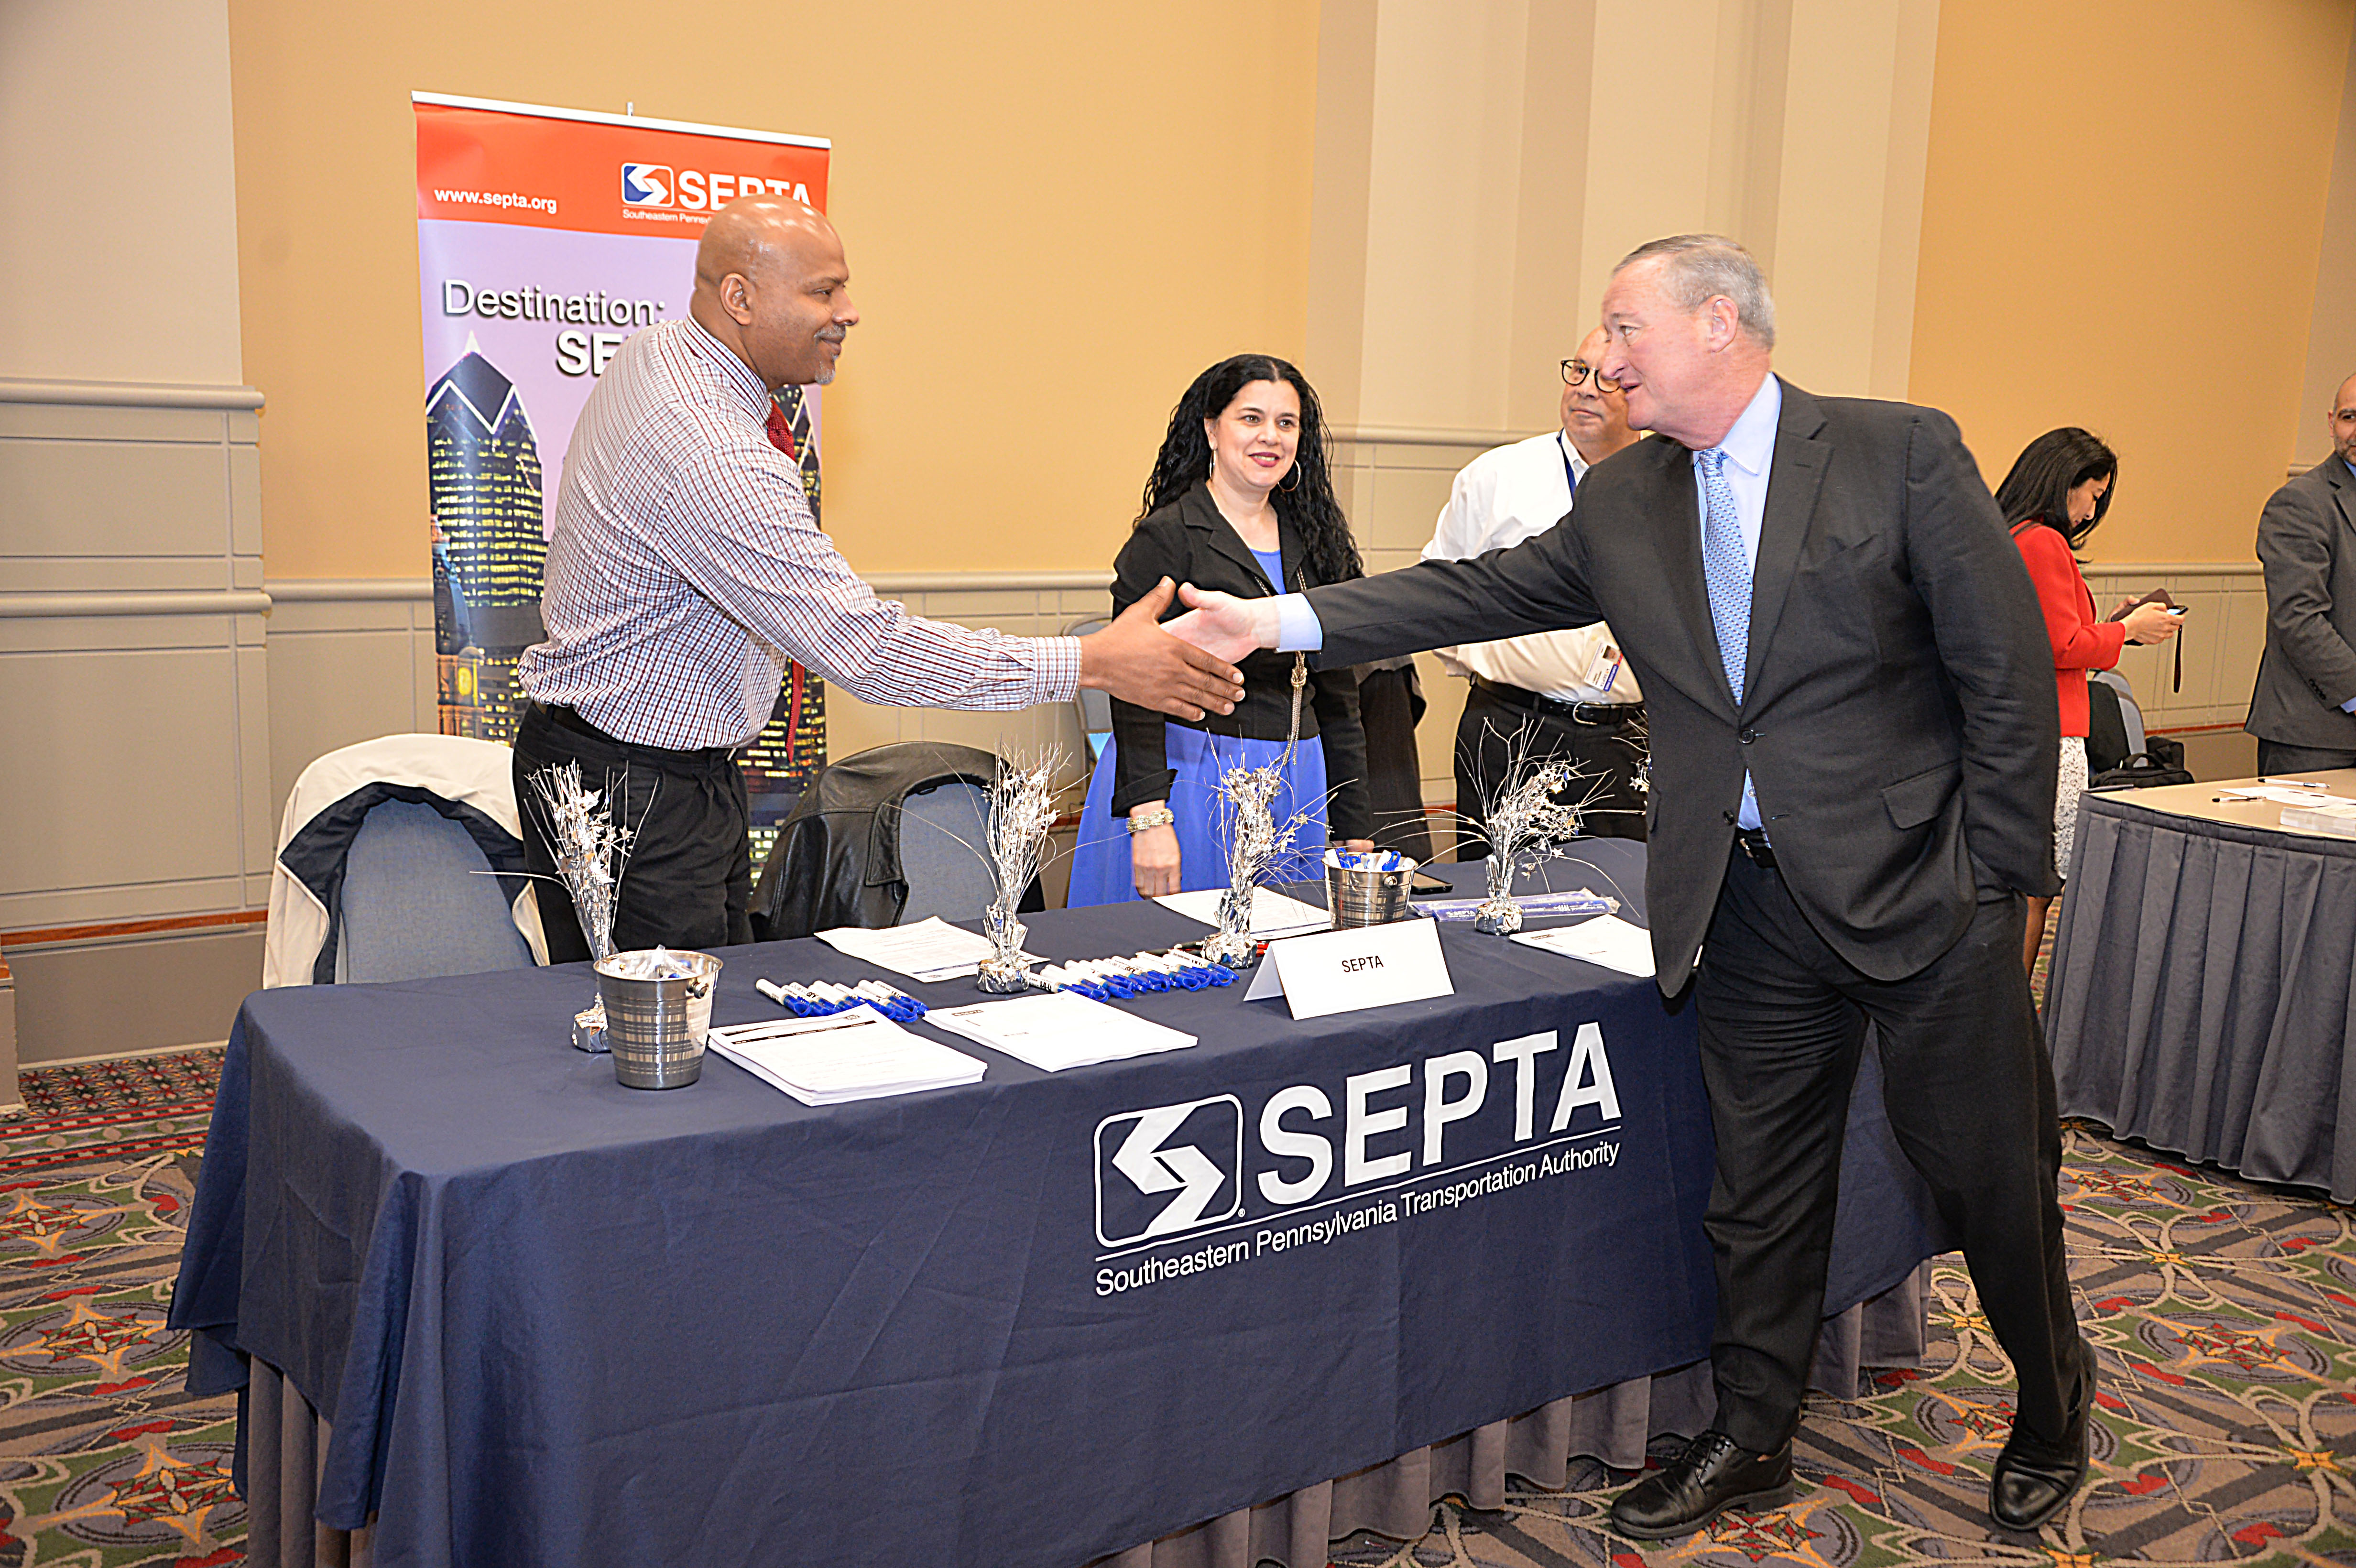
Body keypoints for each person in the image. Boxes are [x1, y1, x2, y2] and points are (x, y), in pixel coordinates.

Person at [1168, 235, 2091, 1540]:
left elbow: (2004, 681)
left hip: (1924, 897)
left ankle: (2054, 1406)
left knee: (1987, 1173)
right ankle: (1753, 1431)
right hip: (1746, 903)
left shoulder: (1897, 453)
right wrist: (1276, 623)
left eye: (1622, 325)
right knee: (1759, 1192)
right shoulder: (1627, 498)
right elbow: (1468, 590)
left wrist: (2005, 894)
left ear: (1719, 325)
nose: (1600, 356)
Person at [513, 197, 1243, 960]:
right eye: (823, 292)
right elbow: (863, 649)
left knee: (701, 1016)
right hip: (639, 790)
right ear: (739, 298)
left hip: (636, 766)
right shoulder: (710, 450)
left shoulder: (664, 350)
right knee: (669, 1046)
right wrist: (1091, 664)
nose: (849, 313)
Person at [1066, 356, 1374, 905]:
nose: (1270, 438)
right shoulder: (1167, 537)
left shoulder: (1318, 541)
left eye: (1286, 423)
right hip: (1186, 785)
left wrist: (1354, 823)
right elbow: (1132, 687)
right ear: (1211, 428)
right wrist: (1149, 818)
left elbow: (1340, 699)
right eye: (1250, 419)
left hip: (1297, 782)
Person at [1424, 327, 1647, 852]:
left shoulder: (1671, 484)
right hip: (1511, 728)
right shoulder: (1497, 476)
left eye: (1607, 378)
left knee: (1625, 903)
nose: (1586, 389)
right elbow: (1439, 590)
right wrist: (1503, 665)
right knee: (1499, 900)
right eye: (1578, 371)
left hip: (1627, 738)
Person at [1995, 428, 2180, 971]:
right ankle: (2012, 1018)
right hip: (2046, 732)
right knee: (2034, 887)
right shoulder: (2042, 541)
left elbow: (2050, 637)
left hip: (2021, 727)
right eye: (2093, 496)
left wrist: (2117, 626)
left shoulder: (2008, 533)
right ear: (2064, 483)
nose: (2090, 511)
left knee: (2020, 883)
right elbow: (2061, 645)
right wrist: (2126, 632)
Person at [2246, 371, 2356, 774]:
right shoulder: (2300, 503)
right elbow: (2299, 617)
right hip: (2313, 737)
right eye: (2349, 418)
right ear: (2331, 423)